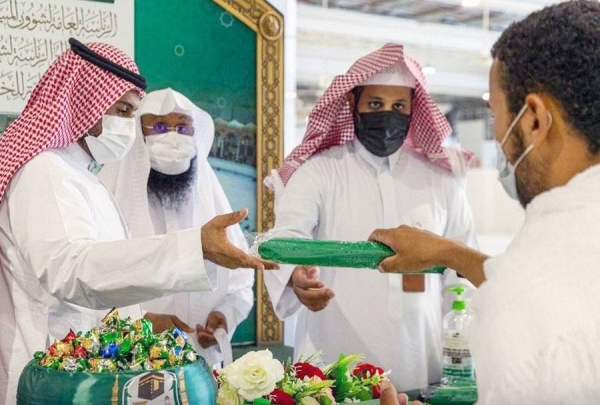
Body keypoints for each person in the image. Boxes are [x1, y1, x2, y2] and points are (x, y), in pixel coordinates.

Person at [0, 39, 274, 403]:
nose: (129, 125)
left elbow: (105, 276)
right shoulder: (46, 173)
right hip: (48, 380)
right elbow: (73, 270)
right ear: (85, 103)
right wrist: (196, 247)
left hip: (87, 379)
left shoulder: (82, 178)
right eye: (124, 111)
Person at [370, 1, 600, 402]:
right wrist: (452, 254)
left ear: (532, 119)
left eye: (495, 113)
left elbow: (538, 294)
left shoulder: (521, 303)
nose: (497, 133)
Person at [263, 43, 476, 391]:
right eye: (375, 104)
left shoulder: (442, 182)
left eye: (398, 106)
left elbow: (463, 270)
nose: (387, 115)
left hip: (424, 370)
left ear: (413, 110)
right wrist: (295, 277)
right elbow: (285, 239)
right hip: (332, 376)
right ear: (353, 104)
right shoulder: (319, 172)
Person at [100, 88, 254, 365]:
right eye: (159, 127)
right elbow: (87, 282)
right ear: (140, 134)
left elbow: (241, 284)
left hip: (199, 364)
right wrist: (140, 321)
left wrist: (224, 317)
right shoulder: (109, 193)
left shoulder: (213, 196)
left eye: (182, 127)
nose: (173, 137)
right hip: (128, 360)